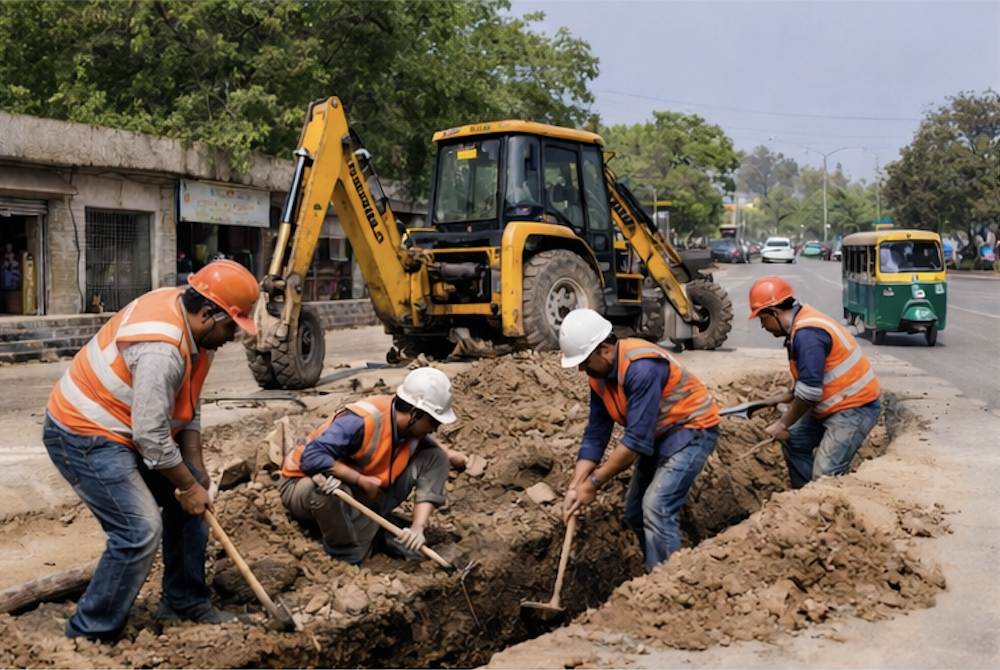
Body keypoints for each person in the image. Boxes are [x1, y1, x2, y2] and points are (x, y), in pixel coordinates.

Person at [43, 259, 260, 640]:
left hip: (131, 429)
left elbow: (187, 399)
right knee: (139, 530)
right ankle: (88, 635)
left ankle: (184, 603)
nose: (234, 336)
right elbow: (152, 438)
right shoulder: (162, 349)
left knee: (192, 501)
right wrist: (187, 485)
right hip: (84, 433)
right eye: (232, 326)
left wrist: (194, 468)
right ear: (208, 314)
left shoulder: (197, 330)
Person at [559, 309, 720, 572]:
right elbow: (597, 433)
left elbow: (635, 441)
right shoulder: (598, 376)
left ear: (604, 350)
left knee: (657, 507)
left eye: (584, 361)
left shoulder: (642, 367)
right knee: (635, 512)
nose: (581, 368)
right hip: (658, 435)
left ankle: (668, 582)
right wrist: (576, 484)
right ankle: (653, 574)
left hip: (692, 430)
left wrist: (595, 482)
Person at [279, 367, 466, 566]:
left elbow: (435, 451)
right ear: (414, 413)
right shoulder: (360, 421)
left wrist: (418, 528)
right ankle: (344, 557)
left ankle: (375, 530)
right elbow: (310, 457)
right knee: (325, 491)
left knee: (436, 457)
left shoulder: (411, 428)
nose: (435, 428)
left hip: (367, 492)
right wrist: (361, 480)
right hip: (302, 485)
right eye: (434, 421)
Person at [748, 276, 881, 489]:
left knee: (825, 474)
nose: (763, 326)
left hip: (855, 408)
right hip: (833, 404)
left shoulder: (808, 334)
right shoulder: (802, 324)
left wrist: (782, 424)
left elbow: (810, 393)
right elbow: (813, 378)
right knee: (794, 441)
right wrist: (782, 397)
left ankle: (823, 498)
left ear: (774, 312)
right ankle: (803, 496)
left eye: (762, 318)